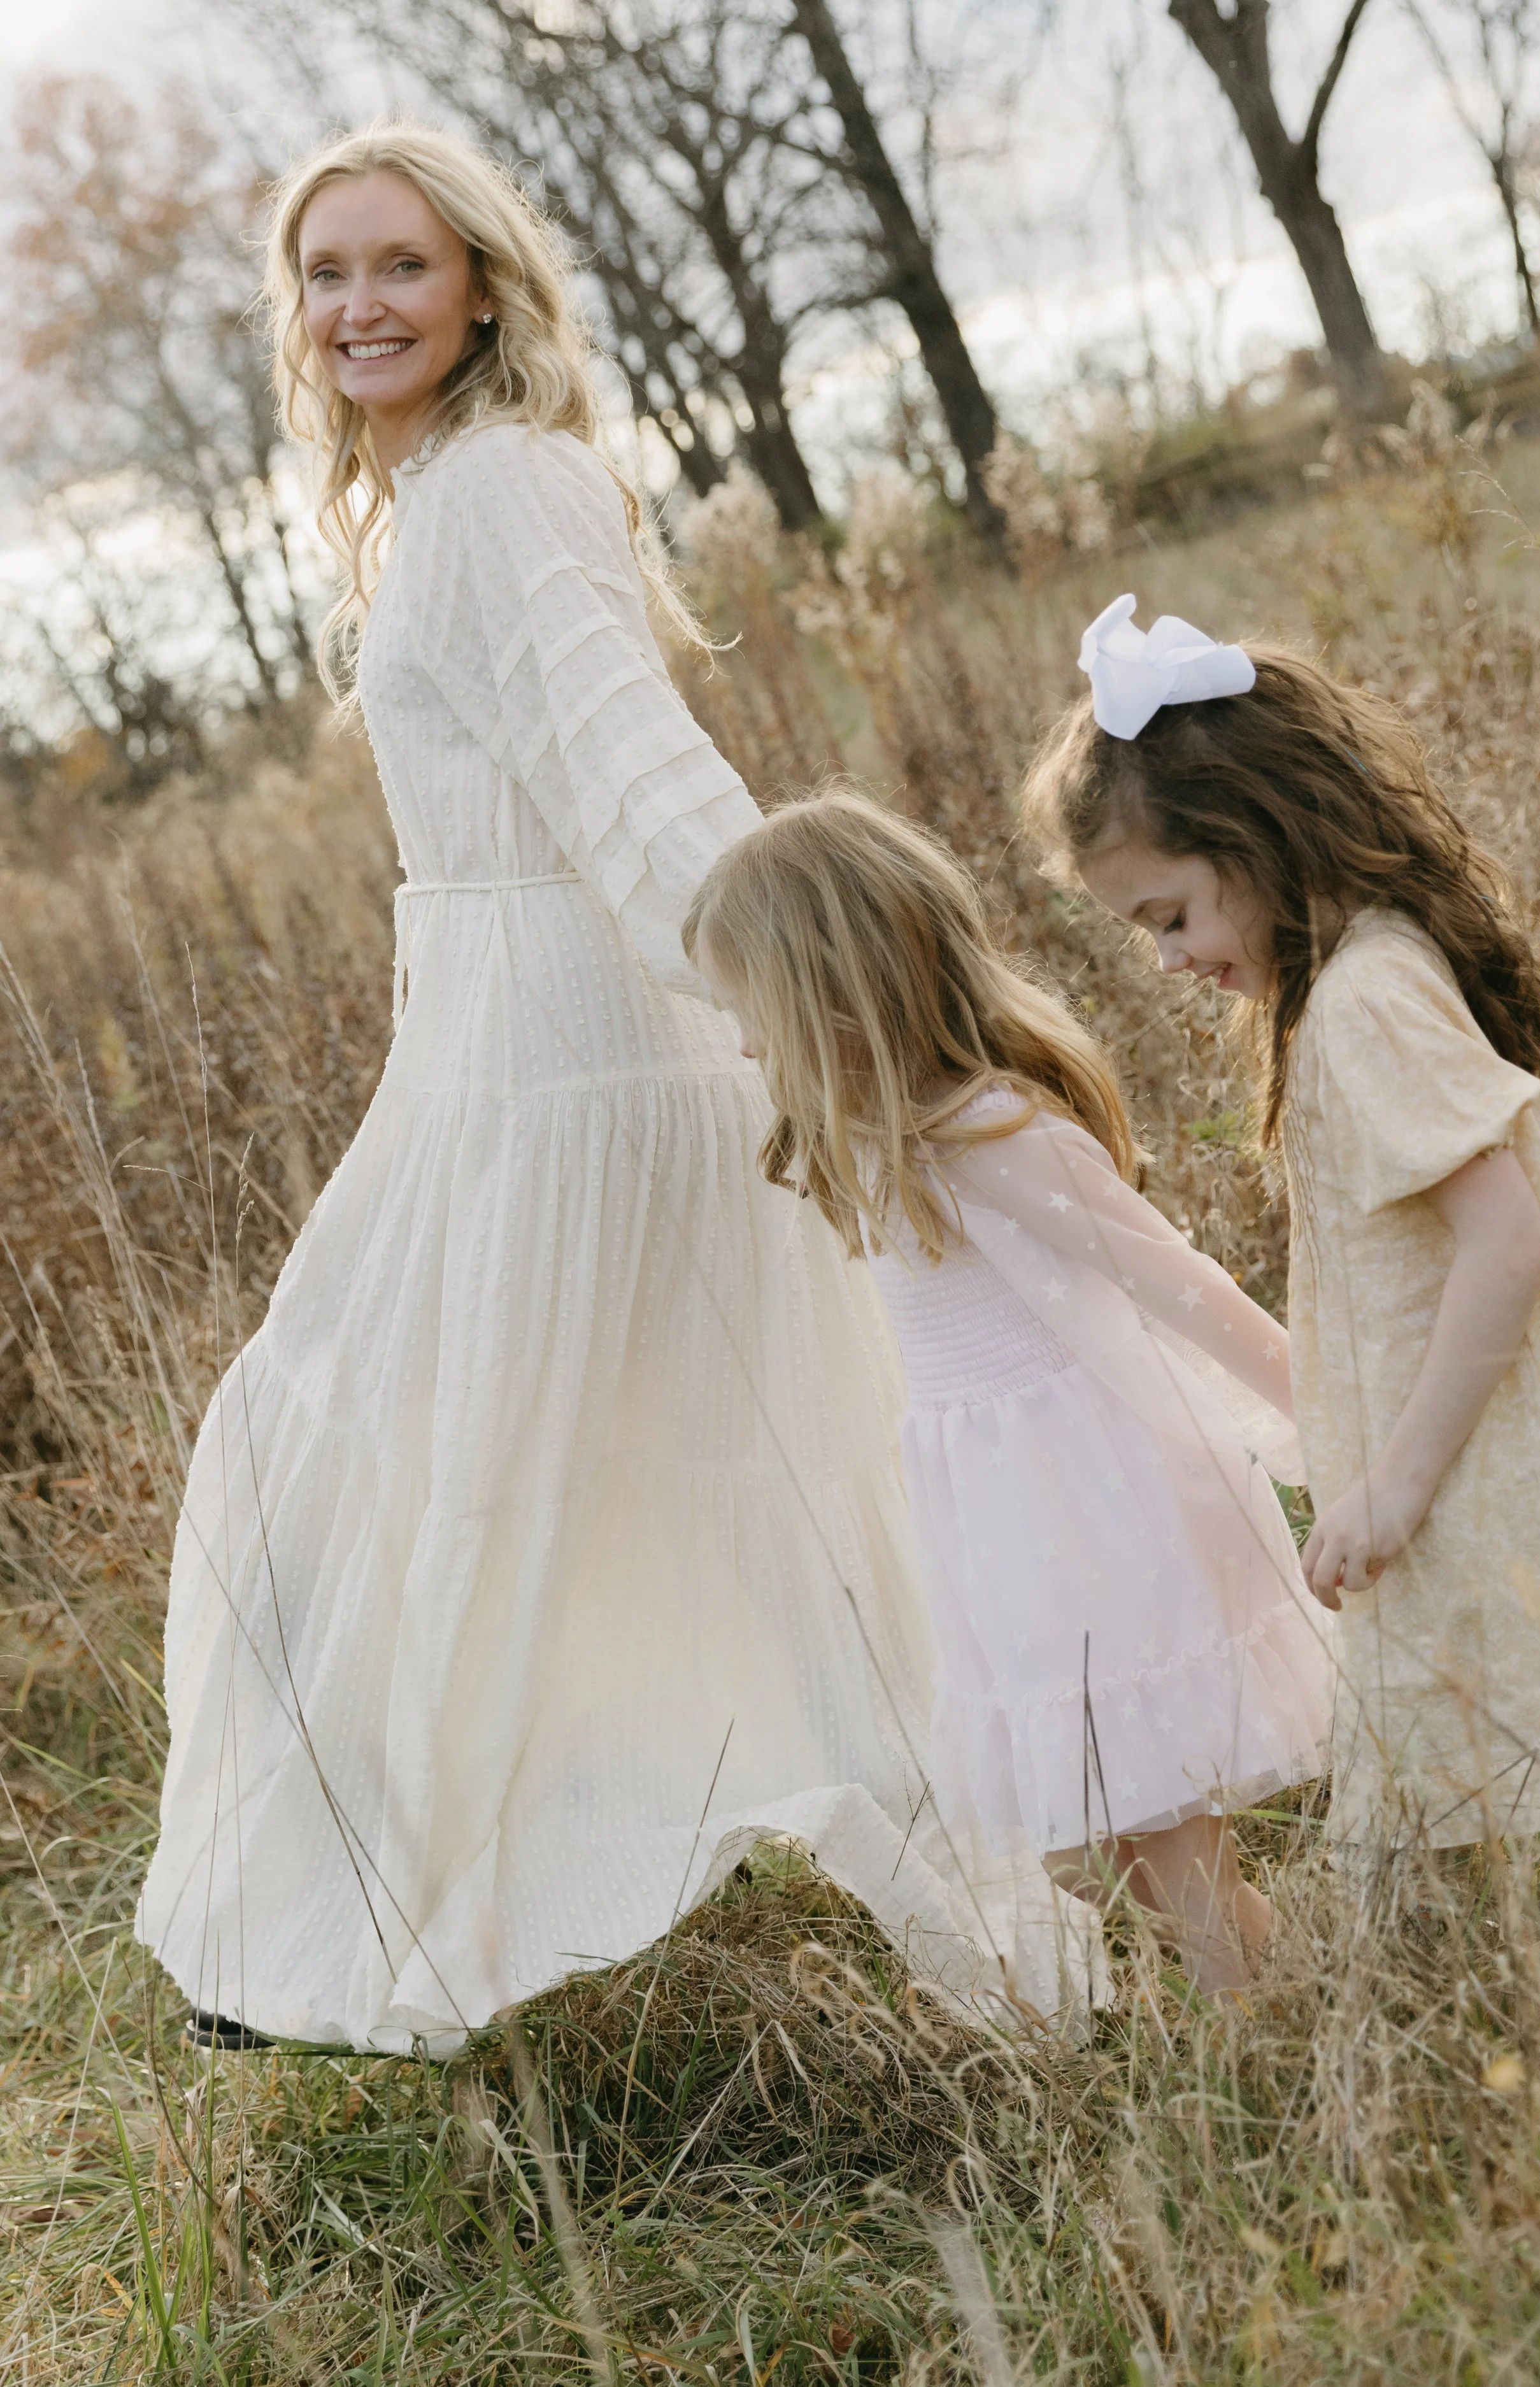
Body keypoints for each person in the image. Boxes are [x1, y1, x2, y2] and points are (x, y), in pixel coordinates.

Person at [135, 125, 1053, 2055]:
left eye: (399, 266)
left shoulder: (503, 492)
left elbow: (629, 766)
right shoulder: (448, 497)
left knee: (372, 1464)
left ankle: (352, 1924)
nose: (359, 304)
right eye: (327, 275)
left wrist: (805, 992)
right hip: (497, 1034)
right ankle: (360, 1908)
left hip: (577, 1056)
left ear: (483, 286)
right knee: (464, 1473)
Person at [683, 792, 1335, 1996]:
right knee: (1098, 1855)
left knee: (1164, 1844)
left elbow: (1176, 1284)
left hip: (1092, 1517)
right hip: (1005, 1534)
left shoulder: (990, 1135)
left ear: (832, 992)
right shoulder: (883, 1148)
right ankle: (1297, 1996)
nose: (741, 1048)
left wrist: (1327, 1420)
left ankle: (1267, 2065)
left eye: (750, 1016)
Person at [1029, 593, 1540, 1853]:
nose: (1165, 959)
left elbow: (1508, 1239)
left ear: (1253, 837)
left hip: (1458, 1467)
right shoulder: (1367, 968)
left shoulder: (1360, 1003)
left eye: (1168, 915)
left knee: (1469, 1806)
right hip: (1458, 1452)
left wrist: (1391, 1486)